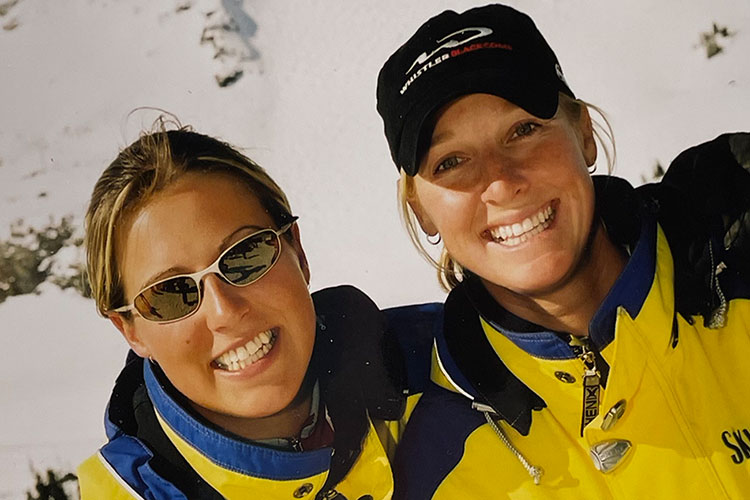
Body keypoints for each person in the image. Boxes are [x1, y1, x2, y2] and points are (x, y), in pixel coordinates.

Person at [376, 4, 750, 498]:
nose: (501, 182)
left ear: (585, 134)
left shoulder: (734, 260)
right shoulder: (440, 463)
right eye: (451, 162)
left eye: (523, 130)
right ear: (421, 209)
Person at [76, 125, 417, 500]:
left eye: (245, 256)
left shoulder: (452, 374)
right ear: (131, 331)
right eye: (171, 293)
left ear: (296, 251)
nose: (224, 310)